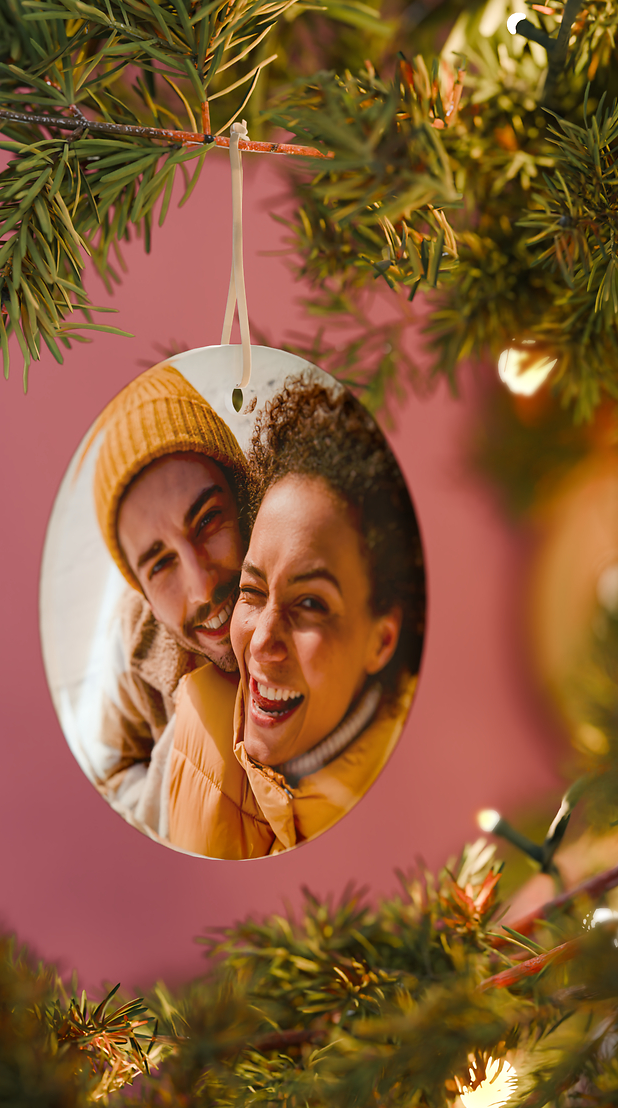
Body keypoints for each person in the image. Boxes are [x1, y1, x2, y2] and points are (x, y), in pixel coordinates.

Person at [162, 378, 425, 859]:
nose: (262, 640)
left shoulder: (417, 809)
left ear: (382, 641)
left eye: (310, 604)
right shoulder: (195, 723)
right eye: (252, 591)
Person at [79, 365, 253, 835]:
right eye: (160, 565)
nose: (200, 586)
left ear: (247, 499)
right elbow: (109, 775)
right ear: (141, 591)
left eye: (207, 521)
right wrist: (184, 765)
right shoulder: (131, 638)